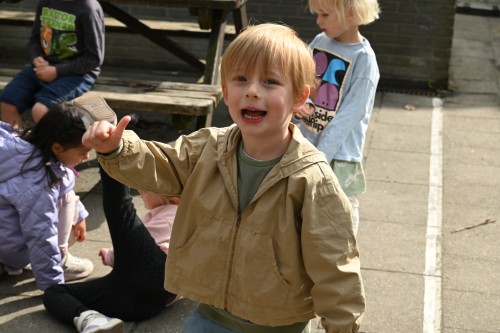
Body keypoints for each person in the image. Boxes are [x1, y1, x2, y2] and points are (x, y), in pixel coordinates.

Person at [82, 23, 365, 332]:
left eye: (270, 81)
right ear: (227, 92)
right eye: (241, 79)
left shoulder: (312, 180)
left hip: (279, 325)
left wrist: (342, 326)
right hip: (209, 316)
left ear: (299, 98)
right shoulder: (208, 149)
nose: (253, 90)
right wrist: (118, 148)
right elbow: (160, 163)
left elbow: (335, 267)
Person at [43, 163, 179, 333]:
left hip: (153, 279)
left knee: (121, 208)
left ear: (174, 198)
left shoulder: (172, 213)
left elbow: (137, 251)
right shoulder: (190, 221)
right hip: (149, 304)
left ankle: (108, 155)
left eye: (146, 188)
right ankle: (94, 321)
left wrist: (110, 256)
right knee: (55, 292)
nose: (140, 190)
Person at [295, 0, 381, 235]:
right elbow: (303, 80)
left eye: (325, 14)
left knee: (341, 211)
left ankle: (344, 261)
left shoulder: (364, 60)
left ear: (351, 14)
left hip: (340, 156)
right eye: (317, 14)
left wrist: (320, 157)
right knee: (304, 209)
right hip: (307, 144)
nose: (318, 20)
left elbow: (350, 115)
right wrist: (302, 102)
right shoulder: (320, 42)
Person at [0, 101, 102, 290]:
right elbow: (41, 236)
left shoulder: (23, 147)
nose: (87, 157)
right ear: (57, 148)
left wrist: (79, 214)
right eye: (83, 152)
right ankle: (61, 260)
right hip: (11, 249)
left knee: (65, 188)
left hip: (5, 237)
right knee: (65, 193)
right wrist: (53, 287)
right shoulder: (40, 181)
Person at [0, 0, 105, 129]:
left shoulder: (89, 8)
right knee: (7, 102)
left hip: (78, 73)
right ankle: (22, 147)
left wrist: (56, 71)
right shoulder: (46, 2)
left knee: (40, 110)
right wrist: (36, 57)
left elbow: (94, 58)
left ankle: (53, 147)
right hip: (43, 68)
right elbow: (35, 40)